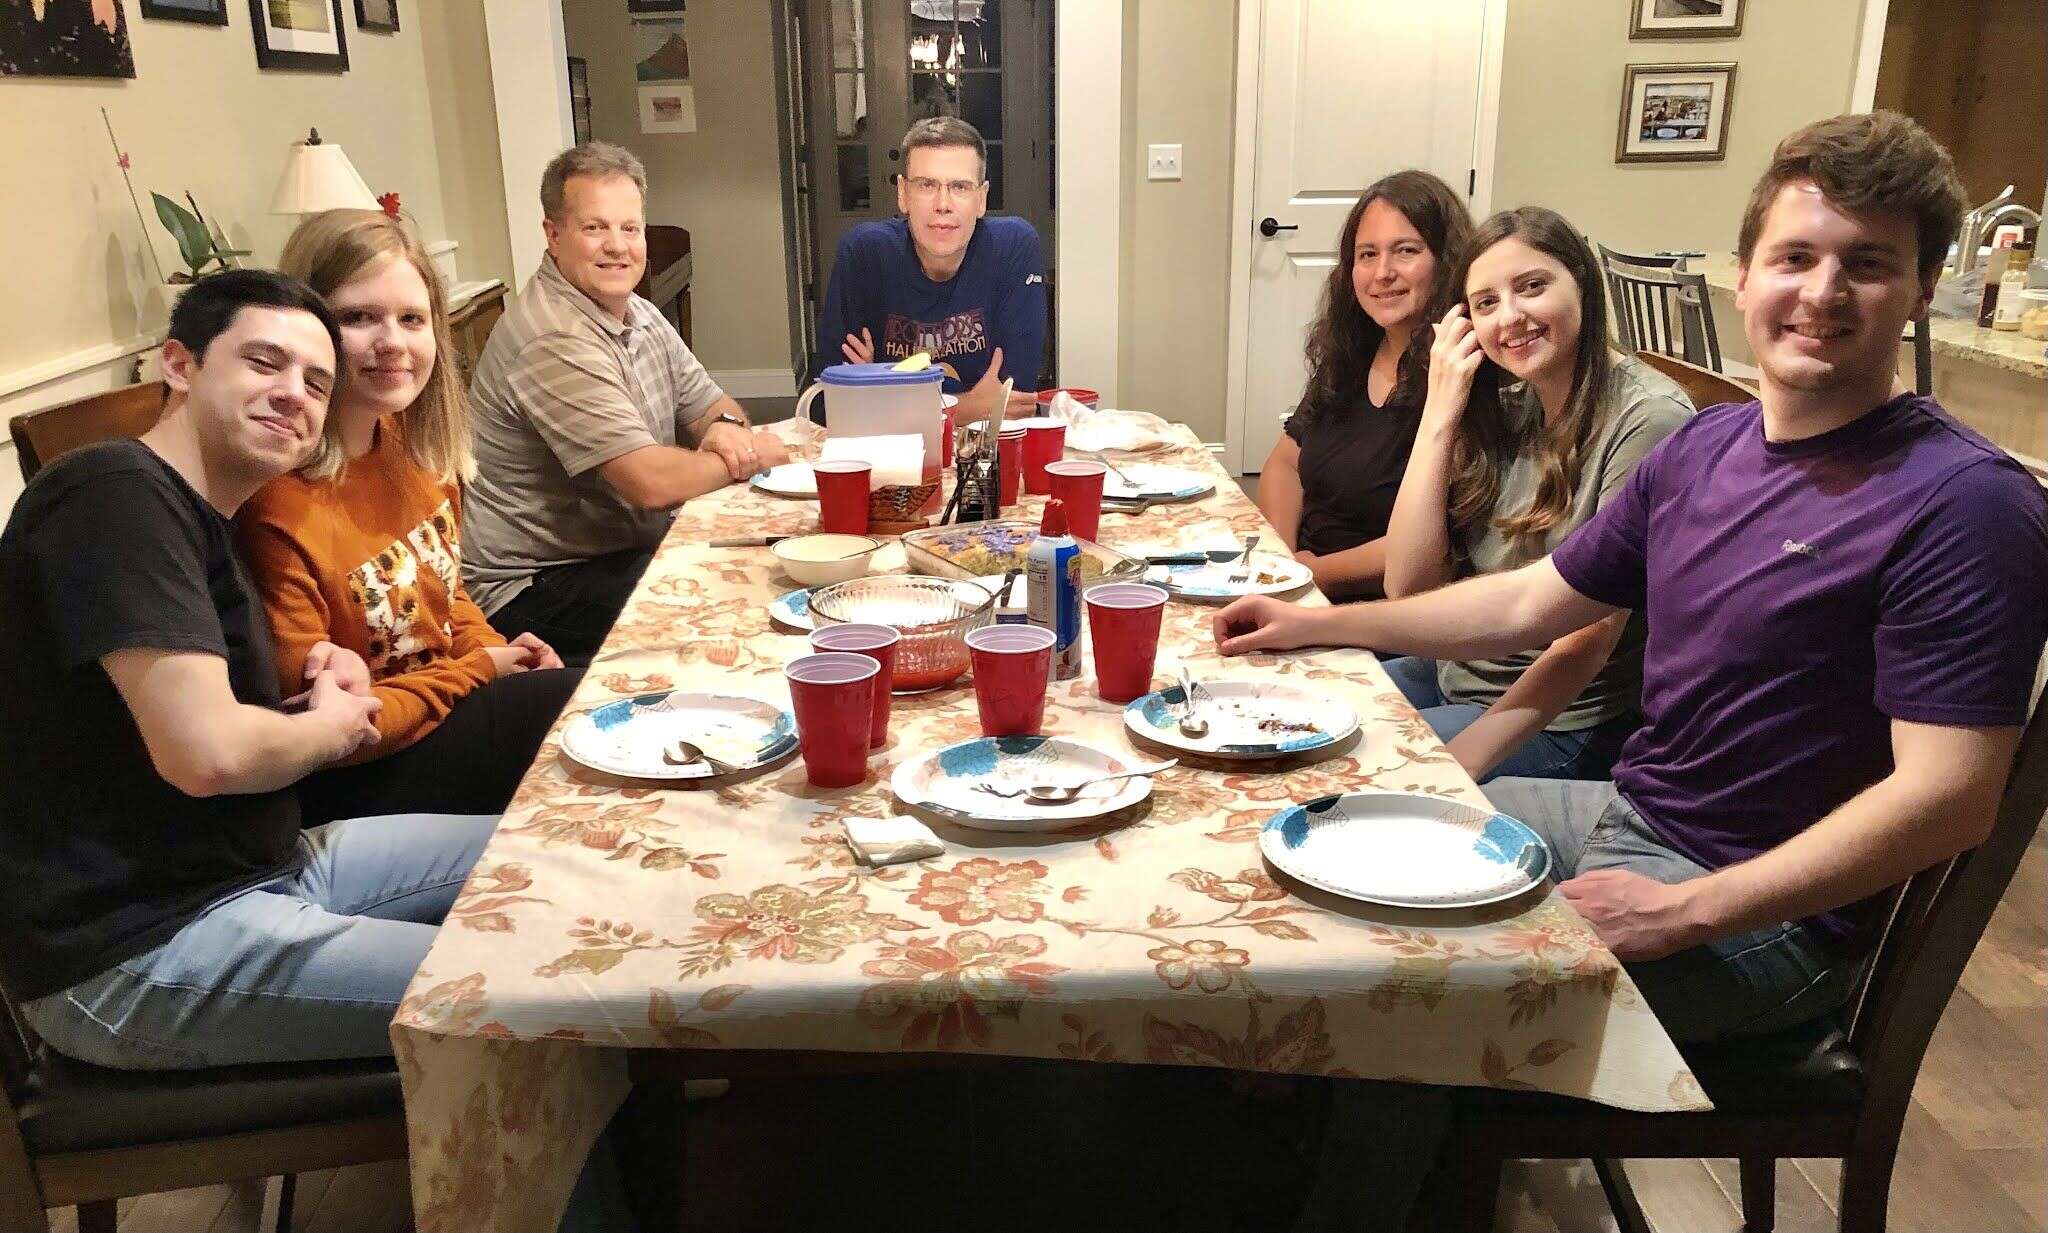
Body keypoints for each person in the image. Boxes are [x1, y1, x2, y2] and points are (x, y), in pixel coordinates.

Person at [1238, 110, 2048, 1233]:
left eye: (1866, 264)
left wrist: (1682, 911)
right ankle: (1289, 1141)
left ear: (1917, 292)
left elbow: (1949, 799)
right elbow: (1529, 601)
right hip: (1630, 811)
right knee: (1315, 837)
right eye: (1795, 257)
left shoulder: (1964, 505)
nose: (1820, 292)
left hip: (1765, 914)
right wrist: (1314, 625)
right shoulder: (1707, 448)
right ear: (1743, 274)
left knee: (1408, 984)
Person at [0, 270, 501, 1069]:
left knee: (551, 851)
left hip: (265, 866)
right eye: (264, 362)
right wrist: (333, 726)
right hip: (137, 947)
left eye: (317, 382)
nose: (294, 393)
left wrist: (319, 684)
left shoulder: (206, 515)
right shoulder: (111, 495)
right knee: (523, 980)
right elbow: (208, 754)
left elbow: (171, 719)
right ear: (180, 364)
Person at [234, 209, 580, 826]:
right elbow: (327, 724)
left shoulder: (411, 448)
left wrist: (498, 654)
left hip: (443, 709)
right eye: (358, 317)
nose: (392, 342)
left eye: (411, 319)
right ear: (306, 330)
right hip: (361, 769)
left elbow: (444, 599)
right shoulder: (277, 506)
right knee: (577, 717)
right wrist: (482, 671)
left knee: (596, 708)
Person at [1374, 206, 1693, 782]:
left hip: (1560, 719)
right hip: (1462, 670)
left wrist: (1452, 767)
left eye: (1531, 287)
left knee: (1359, 770)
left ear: (1582, 284)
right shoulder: (1511, 404)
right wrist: (1440, 410)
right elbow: (1406, 585)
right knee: (1309, 706)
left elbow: (1586, 644)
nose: (1510, 317)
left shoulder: (1648, 418)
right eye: (1485, 303)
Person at [462, 141, 791, 658]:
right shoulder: (553, 336)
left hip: (612, 552)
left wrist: (725, 427)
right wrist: (750, 456)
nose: (617, 246)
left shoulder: (636, 310)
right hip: (534, 587)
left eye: (630, 228)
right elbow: (649, 483)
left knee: (769, 564)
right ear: (553, 234)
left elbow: (711, 403)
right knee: (738, 600)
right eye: (595, 227)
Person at [1255, 169, 1473, 603]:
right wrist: (1281, 558)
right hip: (1299, 583)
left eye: (1406, 251)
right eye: (1367, 254)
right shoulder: (1353, 352)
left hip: (1382, 609)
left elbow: (1444, 541)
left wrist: (1309, 574)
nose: (1383, 272)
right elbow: (1284, 462)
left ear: (1446, 261)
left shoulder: (1459, 372)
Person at [816, 115, 1043, 423]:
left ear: (981, 199)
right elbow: (831, 405)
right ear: (903, 194)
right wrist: (968, 406)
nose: (943, 204)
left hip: (986, 449)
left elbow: (1015, 402)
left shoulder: (1013, 247)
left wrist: (882, 393)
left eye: (960, 187)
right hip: (893, 451)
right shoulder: (864, 254)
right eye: (926, 185)